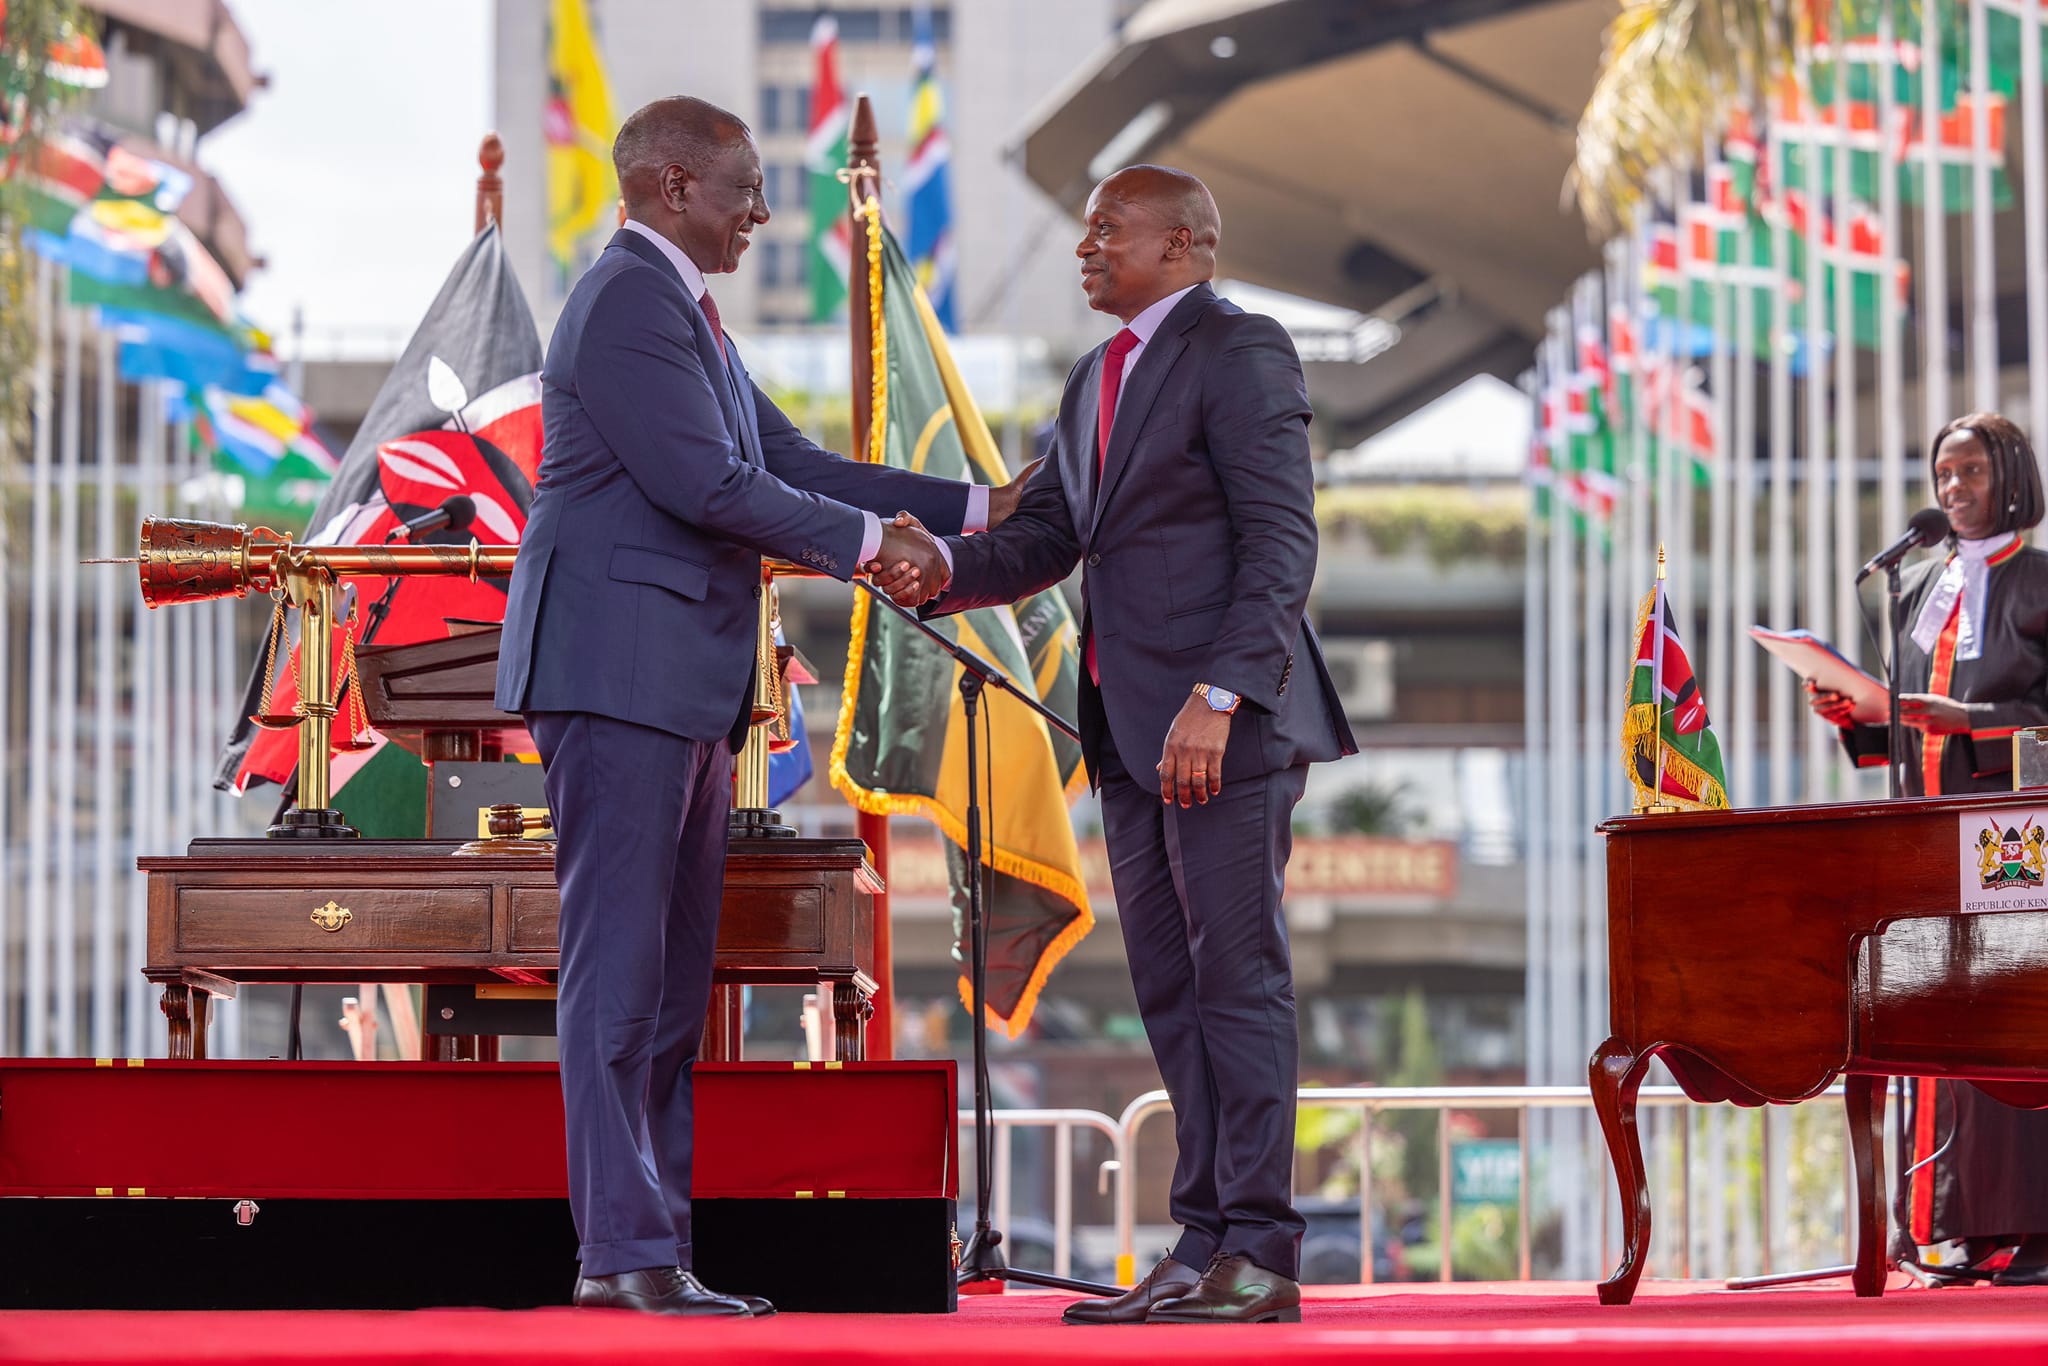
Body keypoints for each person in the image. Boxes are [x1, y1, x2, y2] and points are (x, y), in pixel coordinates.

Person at [494, 96, 1030, 1315]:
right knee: (620, 975)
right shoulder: (630, 298)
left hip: (673, 687)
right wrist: (872, 547)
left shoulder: (686, 315)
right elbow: (708, 483)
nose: (763, 212)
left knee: (674, 985)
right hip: (615, 677)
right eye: (745, 188)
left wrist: (984, 511)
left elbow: (795, 464)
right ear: (674, 184)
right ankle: (619, 1253)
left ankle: (654, 1249)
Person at [887, 165, 1357, 1324]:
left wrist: (1223, 693)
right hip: (1129, 736)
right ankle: (1200, 1244)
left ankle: (1262, 1252)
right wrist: (940, 568)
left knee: (1236, 983)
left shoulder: (1239, 350)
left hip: (1218, 732)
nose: (1085, 247)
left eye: (1109, 229)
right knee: (1169, 988)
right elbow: (1047, 533)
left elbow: (1279, 543)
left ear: (1188, 244)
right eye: (1084, 231)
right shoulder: (1095, 375)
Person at [1807, 411, 2048, 1285]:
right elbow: (1901, 733)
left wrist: (1974, 724)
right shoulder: (1918, 588)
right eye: (1944, 474)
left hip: (2015, 840)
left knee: (2015, 1026)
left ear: (2011, 476)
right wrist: (1858, 722)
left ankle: (2036, 1229)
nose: (1954, 489)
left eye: (1972, 472)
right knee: (1942, 1023)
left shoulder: (2042, 584)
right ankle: (1956, 1229)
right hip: (1926, 835)